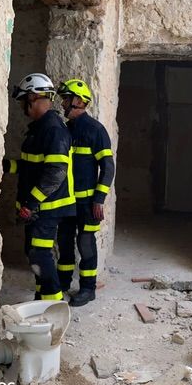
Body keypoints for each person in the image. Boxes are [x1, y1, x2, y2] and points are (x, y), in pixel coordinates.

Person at [2, 73, 77, 301]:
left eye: (24, 100)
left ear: (33, 98)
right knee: (34, 252)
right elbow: (33, 166)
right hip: (40, 207)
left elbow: (55, 172)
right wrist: (7, 165)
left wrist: (31, 203)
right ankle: (41, 299)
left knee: (39, 254)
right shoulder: (39, 127)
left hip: (47, 207)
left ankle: (52, 307)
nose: (23, 106)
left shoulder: (52, 129)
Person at [55, 78, 115, 307]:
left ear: (79, 101)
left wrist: (99, 199)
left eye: (66, 100)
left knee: (86, 242)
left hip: (88, 203)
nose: (63, 105)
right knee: (64, 241)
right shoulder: (65, 130)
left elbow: (108, 167)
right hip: (67, 201)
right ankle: (62, 283)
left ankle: (88, 288)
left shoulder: (95, 130)